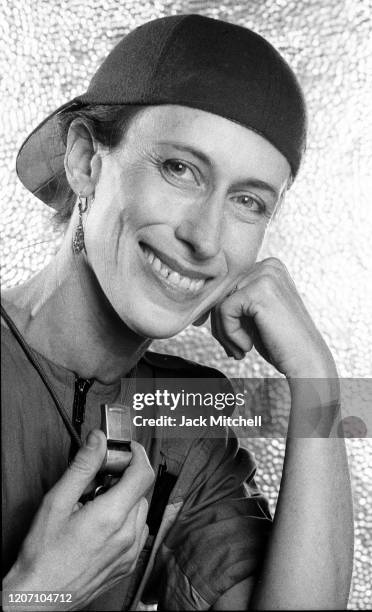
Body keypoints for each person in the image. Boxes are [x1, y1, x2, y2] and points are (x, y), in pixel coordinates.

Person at [1, 14, 353, 611]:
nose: (205, 237)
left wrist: (318, 384)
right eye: (180, 169)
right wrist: (37, 595)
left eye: (247, 201)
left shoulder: (187, 417)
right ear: (86, 159)